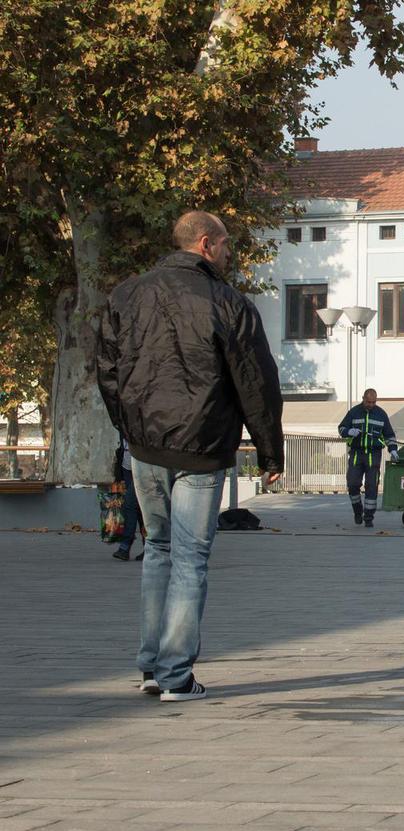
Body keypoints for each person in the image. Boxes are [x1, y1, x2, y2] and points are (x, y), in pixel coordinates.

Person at [96, 210, 283, 701]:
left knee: (157, 550)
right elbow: (256, 382)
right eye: (225, 245)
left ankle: (152, 667)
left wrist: (130, 428)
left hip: (146, 448)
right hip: (203, 447)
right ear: (205, 243)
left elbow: (108, 372)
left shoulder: (126, 295)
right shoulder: (228, 302)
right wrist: (269, 452)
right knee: (190, 559)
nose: (228, 253)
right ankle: (177, 674)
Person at [339, 388, 397, 527]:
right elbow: (341, 428)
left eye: (373, 402)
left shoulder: (381, 414)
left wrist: (393, 450)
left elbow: (389, 435)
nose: (371, 404)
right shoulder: (353, 412)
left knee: (372, 486)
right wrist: (349, 431)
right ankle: (358, 511)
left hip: (373, 455)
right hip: (356, 454)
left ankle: (369, 517)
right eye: (368, 401)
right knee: (352, 484)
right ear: (363, 398)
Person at [111, 437, 144, 561]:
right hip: (127, 468)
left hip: (141, 467)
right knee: (139, 508)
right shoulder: (122, 423)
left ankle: (125, 546)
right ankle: (149, 547)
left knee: (130, 504)